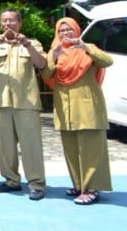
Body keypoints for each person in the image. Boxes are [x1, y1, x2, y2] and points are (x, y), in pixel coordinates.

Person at [42, 17, 113, 205]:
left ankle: (91, 188)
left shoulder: (87, 48)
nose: (65, 34)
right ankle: (79, 184)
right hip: (65, 109)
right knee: (71, 150)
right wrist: (54, 56)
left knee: (90, 150)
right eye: (61, 31)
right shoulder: (55, 52)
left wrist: (86, 48)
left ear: (77, 30)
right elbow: (47, 75)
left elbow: (107, 61)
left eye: (69, 30)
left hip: (88, 107)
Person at [0, 9, 47, 200]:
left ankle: (36, 183)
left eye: (12, 21)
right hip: (2, 102)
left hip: (26, 102)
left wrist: (27, 45)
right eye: (4, 21)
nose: (8, 24)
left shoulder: (31, 43)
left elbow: (42, 63)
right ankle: (11, 180)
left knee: (31, 145)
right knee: (5, 146)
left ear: (19, 23)